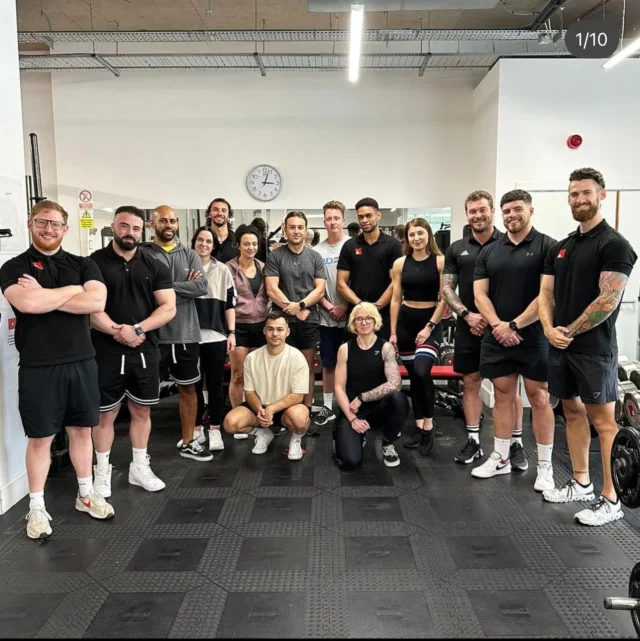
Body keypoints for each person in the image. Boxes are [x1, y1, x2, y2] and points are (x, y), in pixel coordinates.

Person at [0, 200, 114, 539]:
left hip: (81, 362)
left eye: (55, 224)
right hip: (39, 366)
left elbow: (96, 302)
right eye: (42, 222)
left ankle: (85, 494)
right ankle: (36, 507)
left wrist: (48, 296)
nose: (48, 229)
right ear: (31, 224)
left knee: (81, 431)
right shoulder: (13, 266)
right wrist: (72, 292)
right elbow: (27, 303)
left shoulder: (83, 263)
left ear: (65, 228)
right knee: (41, 439)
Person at [540, 168, 638, 525]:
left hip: (594, 348)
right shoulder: (562, 246)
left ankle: (611, 499)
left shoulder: (614, 245)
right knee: (572, 412)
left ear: (601, 195)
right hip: (560, 345)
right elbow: (546, 293)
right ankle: (581, 481)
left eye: (586, 193)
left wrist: (570, 329)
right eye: (573, 194)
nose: (579, 199)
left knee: (604, 422)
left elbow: (607, 300)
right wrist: (549, 329)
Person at [472, 190, 556, 492]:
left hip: (534, 335)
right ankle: (501, 457)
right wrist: (498, 326)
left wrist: (515, 325)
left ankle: (545, 467)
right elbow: (480, 294)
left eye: (517, 209)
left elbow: (547, 295)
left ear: (530, 211)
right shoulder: (490, 251)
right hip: (497, 335)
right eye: (506, 211)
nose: (511, 215)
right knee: (502, 396)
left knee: (540, 397)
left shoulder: (548, 246)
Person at [90, 206, 177, 499]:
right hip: (105, 350)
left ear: (144, 230)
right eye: (124, 226)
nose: (130, 233)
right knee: (106, 414)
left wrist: (137, 329)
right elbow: (90, 309)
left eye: (136, 228)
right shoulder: (93, 264)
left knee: (142, 410)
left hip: (144, 349)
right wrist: (118, 331)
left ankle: (139, 467)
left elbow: (168, 307)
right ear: (113, 226)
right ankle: (101, 471)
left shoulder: (154, 264)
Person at [442, 191, 526, 467]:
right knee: (470, 384)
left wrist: (496, 323)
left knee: (508, 389)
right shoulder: (456, 248)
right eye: (472, 211)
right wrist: (467, 315)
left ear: (492, 211)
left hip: (503, 328)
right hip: (468, 326)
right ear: (466, 214)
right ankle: (474, 441)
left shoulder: (508, 243)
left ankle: (515, 443)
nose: (477, 215)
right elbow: (446, 289)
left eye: (482, 210)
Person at [142, 205, 211, 461]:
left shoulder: (190, 254)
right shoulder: (142, 254)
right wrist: (184, 287)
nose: (168, 225)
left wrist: (163, 288)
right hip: (153, 334)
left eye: (172, 220)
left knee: (188, 389)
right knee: (144, 394)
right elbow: (141, 289)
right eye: (163, 220)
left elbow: (202, 286)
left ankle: (188, 441)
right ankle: (141, 452)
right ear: (153, 224)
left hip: (185, 333)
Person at [390, 218, 446, 456]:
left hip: (430, 323)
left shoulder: (441, 261)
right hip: (405, 322)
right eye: (412, 235)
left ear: (429, 235)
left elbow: (444, 299)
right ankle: (420, 424)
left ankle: (429, 424)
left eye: (420, 233)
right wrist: (393, 332)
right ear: (407, 238)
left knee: (423, 371)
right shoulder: (401, 263)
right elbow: (395, 299)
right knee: (413, 377)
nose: (416, 239)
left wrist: (429, 326)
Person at [223, 312, 310, 460]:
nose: (275, 333)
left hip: (285, 410)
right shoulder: (252, 358)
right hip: (260, 409)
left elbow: (298, 395)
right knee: (230, 423)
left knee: (300, 418)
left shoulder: (297, 358)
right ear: (264, 331)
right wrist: (261, 410)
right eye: (270, 329)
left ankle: (295, 440)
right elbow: (249, 392)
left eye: (279, 329)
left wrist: (271, 409)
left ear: (287, 331)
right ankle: (263, 434)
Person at [333, 303, 410, 469]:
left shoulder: (386, 348)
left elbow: (394, 384)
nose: (364, 322)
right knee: (350, 461)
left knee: (399, 398)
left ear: (375, 322)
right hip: (353, 410)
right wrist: (352, 418)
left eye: (369, 318)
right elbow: (339, 388)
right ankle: (354, 434)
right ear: (353, 323)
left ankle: (388, 443)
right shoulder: (345, 349)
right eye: (359, 319)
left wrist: (362, 397)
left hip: (378, 409)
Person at [265, 211, 327, 412]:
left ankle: (305, 409)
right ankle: (282, 411)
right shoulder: (275, 255)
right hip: (280, 323)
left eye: (300, 227)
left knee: (306, 368)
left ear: (305, 229)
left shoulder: (315, 257)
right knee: (282, 368)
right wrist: (291, 309)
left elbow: (320, 290)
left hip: (308, 319)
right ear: (285, 229)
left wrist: (299, 306)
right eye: (292, 227)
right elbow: (271, 289)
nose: (296, 231)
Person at [191, 226, 237, 452]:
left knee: (216, 385)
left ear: (214, 246)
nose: (204, 244)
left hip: (216, 335)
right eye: (200, 240)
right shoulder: (184, 268)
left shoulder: (223, 270)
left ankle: (215, 429)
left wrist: (231, 332)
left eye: (208, 241)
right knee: (194, 386)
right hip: (189, 335)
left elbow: (229, 305)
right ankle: (197, 428)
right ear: (194, 242)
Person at [337, 198, 403, 341]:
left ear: (378, 216)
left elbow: (396, 282)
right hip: (356, 315)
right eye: (361, 217)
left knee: (384, 359)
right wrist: (361, 306)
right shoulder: (349, 246)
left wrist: (376, 307)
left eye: (369, 215)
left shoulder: (393, 245)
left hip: (384, 315)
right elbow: (341, 283)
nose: (364, 220)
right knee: (354, 359)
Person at [312, 201, 349, 425]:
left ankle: (350, 404)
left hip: (352, 317)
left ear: (343, 220)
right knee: (328, 363)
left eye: (336, 218)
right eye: (328, 218)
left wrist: (345, 306)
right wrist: (328, 305)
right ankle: (327, 407)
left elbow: (358, 280)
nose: (332, 222)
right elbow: (314, 286)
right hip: (326, 316)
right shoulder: (317, 252)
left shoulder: (353, 245)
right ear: (324, 221)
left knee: (353, 363)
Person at [227, 225, 269, 417]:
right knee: (238, 375)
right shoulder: (229, 269)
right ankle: (238, 417)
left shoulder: (263, 268)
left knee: (259, 377)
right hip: (239, 327)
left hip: (261, 326)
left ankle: (257, 415)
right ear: (238, 245)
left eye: (254, 244)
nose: (251, 247)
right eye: (246, 244)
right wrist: (230, 331)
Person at [206, 197, 236, 263]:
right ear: (209, 214)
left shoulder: (237, 241)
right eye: (215, 210)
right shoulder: (201, 240)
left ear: (229, 215)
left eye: (224, 210)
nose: (219, 213)